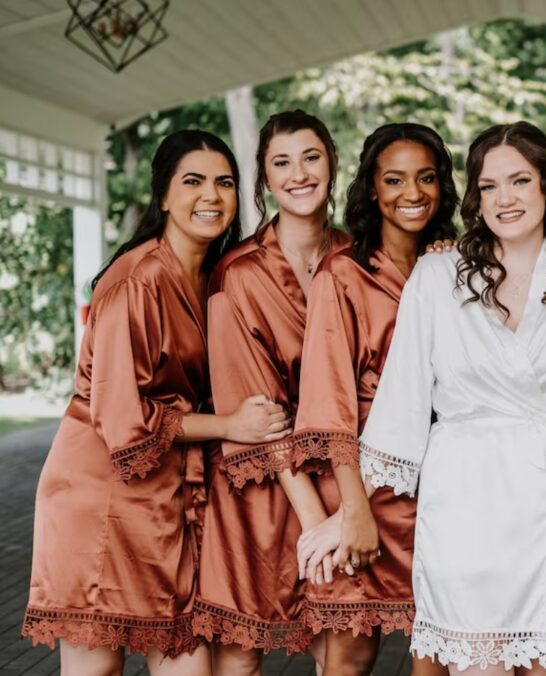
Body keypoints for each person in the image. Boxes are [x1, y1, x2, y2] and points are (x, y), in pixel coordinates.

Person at [357, 121, 546, 675]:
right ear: (475, 197)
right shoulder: (435, 277)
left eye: (519, 181)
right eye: (490, 185)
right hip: (467, 502)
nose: (504, 199)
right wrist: (345, 509)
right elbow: (399, 407)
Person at [23, 129, 287, 676]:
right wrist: (229, 424)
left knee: (190, 667)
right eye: (193, 181)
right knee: (98, 669)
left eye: (225, 182)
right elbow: (121, 419)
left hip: (163, 501)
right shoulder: (136, 281)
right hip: (99, 495)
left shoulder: (214, 275)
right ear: (163, 195)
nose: (211, 195)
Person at [290, 122, 459, 675]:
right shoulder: (342, 275)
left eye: (426, 178)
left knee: (440, 649)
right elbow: (329, 404)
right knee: (351, 653)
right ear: (370, 189)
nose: (413, 193)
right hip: (363, 487)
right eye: (395, 179)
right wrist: (353, 512)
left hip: (445, 490)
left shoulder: (459, 267)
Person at [190, 110, 351, 675]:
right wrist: (317, 522)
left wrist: (344, 512)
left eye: (311, 157)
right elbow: (260, 414)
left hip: (339, 484)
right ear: (264, 178)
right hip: (260, 487)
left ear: (332, 162)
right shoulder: (238, 275)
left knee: (342, 649)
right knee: (243, 656)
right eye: (281, 163)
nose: (299, 173)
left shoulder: (359, 258)